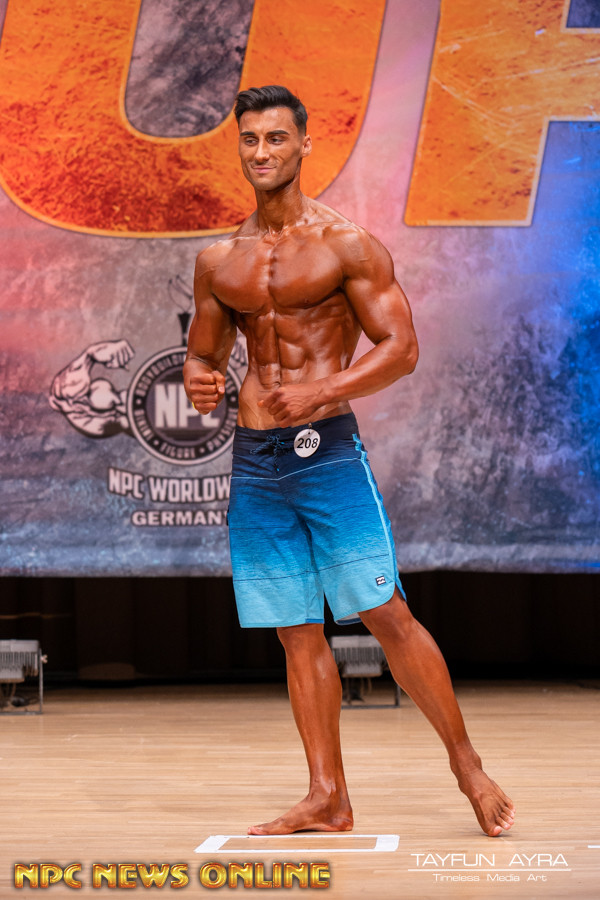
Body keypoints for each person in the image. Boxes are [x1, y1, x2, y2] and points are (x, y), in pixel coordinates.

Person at [183, 85, 515, 838]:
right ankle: (327, 796)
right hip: (255, 458)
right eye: (250, 140)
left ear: (305, 145)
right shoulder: (218, 260)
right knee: (296, 628)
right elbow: (204, 355)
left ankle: (467, 765)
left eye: (276, 138)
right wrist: (199, 380)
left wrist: (324, 388)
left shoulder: (346, 245)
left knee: (384, 611)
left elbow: (402, 349)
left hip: (324, 450)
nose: (262, 152)